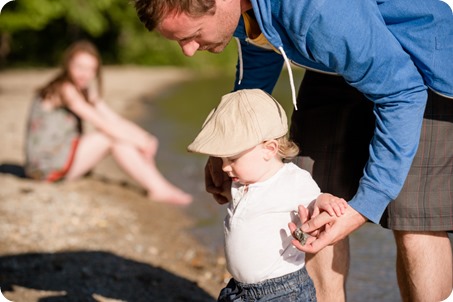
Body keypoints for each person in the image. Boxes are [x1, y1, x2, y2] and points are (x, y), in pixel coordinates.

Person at [132, 0, 453, 300]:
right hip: (335, 58)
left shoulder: (315, 11)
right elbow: (260, 51)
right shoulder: (243, 14)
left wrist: (366, 204)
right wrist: (229, 145)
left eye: (193, 35)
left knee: (413, 218)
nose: (188, 51)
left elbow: (402, 92)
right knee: (309, 203)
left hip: (416, 69)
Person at [188, 89, 348, 301]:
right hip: (238, 289)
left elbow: (315, 199)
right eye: (222, 159)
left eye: (232, 159)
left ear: (269, 149)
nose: (225, 167)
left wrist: (326, 200)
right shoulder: (241, 181)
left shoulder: (292, 180)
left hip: (281, 291)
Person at [24, 40, 192, 205]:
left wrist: (145, 137)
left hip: (59, 160)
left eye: (91, 69)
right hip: (44, 168)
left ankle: (161, 187)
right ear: (68, 65)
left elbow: (112, 119)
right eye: (80, 67)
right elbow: (102, 124)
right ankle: (159, 188)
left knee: (120, 137)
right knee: (110, 138)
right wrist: (139, 140)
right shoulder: (65, 89)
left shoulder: (83, 90)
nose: (85, 74)